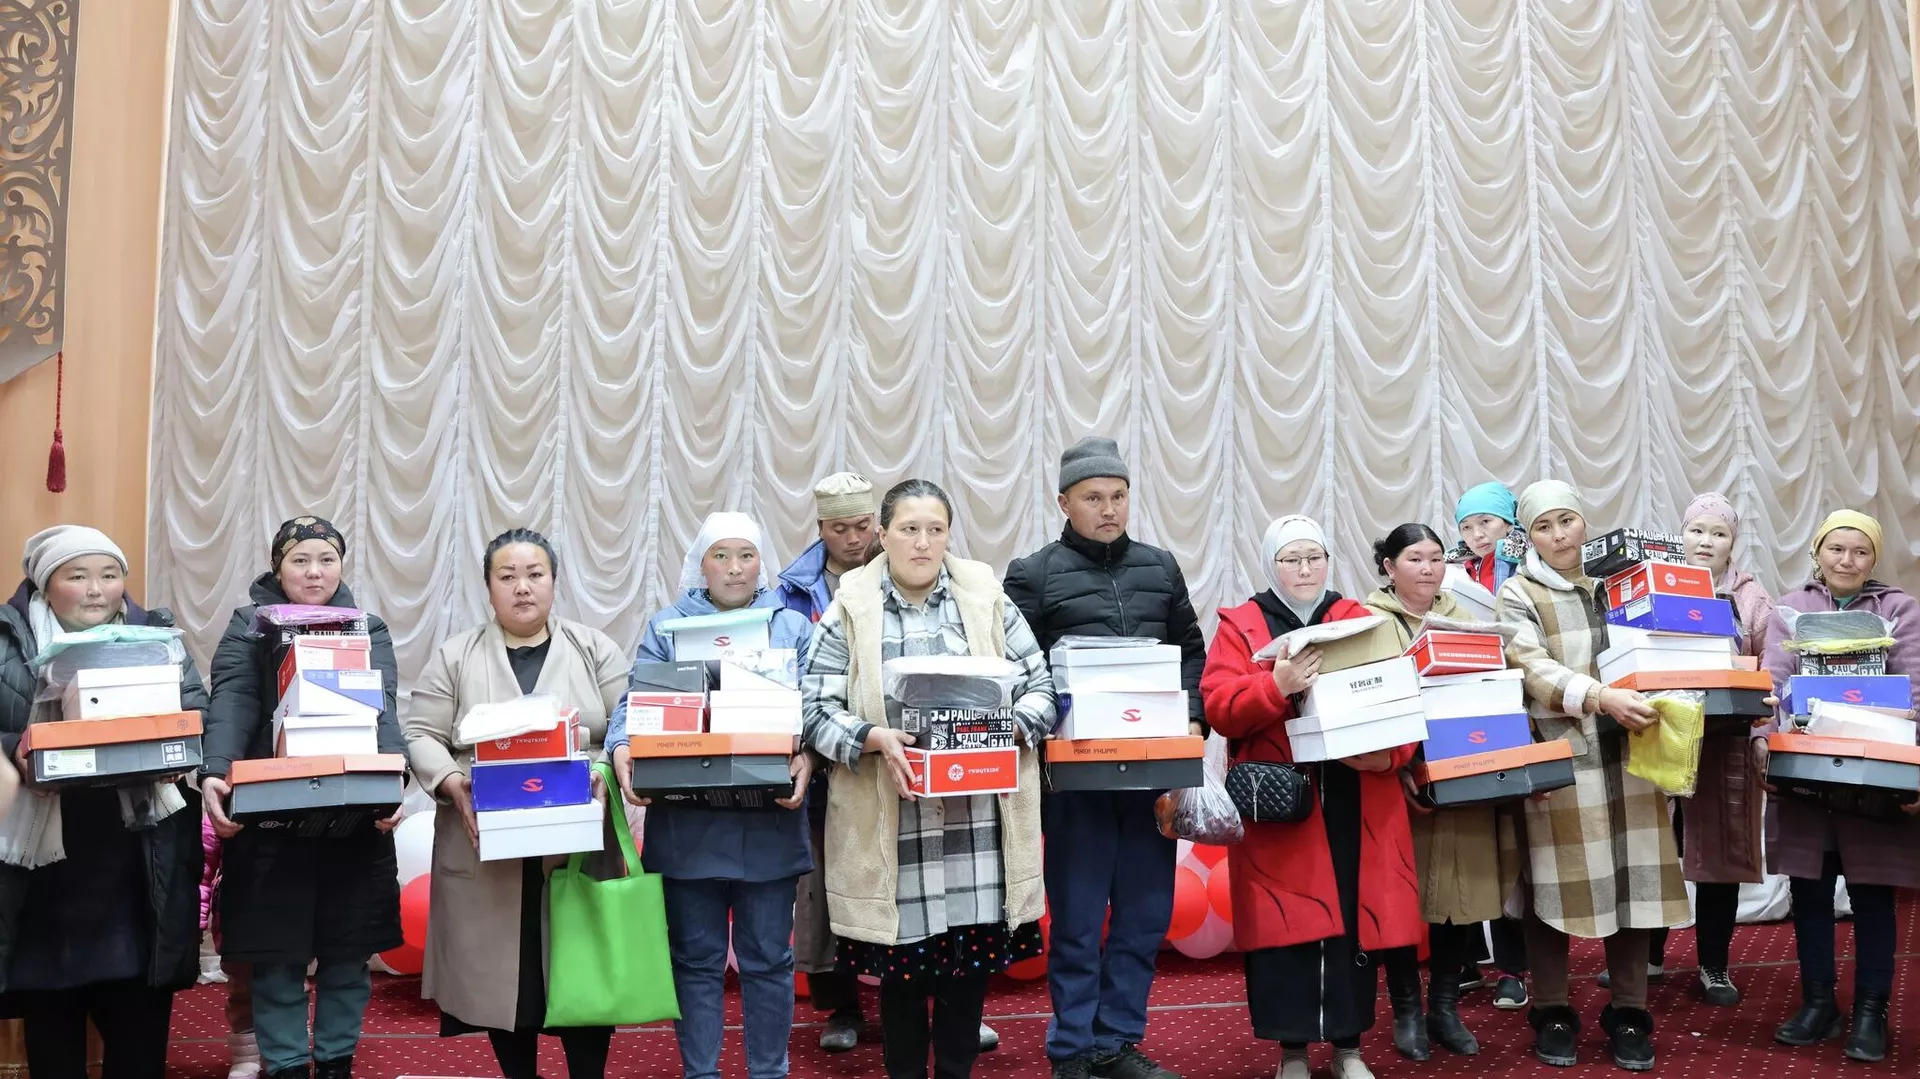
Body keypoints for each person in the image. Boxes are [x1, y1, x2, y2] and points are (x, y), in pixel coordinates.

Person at [801, 479, 1057, 1079]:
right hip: (893, 828)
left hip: (977, 828)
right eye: (909, 529)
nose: (922, 542)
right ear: (883, 534)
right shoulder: (850, 608)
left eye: (935, 529)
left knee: (967, 983)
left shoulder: (987, 599)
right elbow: (813, 709)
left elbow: (1042, 689)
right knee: (902, 986)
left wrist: (999, 731)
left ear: (948, 536)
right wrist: (873, 737)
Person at [1001, 436, 1203, 1079]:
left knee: (1144, 920)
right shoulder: (1032, 574)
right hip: (1076, 782)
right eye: (1093, 497)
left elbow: (1190, 652)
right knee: (1079, 924)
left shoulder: (1160, 567)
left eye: (1118, 496)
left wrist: (1193, 717)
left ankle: (1117, 1043)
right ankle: (1070, 1050)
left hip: (1154, 777)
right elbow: (1017, 670)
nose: (1108, 508)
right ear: (1064, 502)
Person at [1198, 514, 1420, 1079]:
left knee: (1352, 925)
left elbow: (1402, 702)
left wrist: (1389, 758)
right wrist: (1275, 685)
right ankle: (1291, 1051)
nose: (1304, 569)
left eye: (1314, 557)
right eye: (1291, 559)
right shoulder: (1241, 626)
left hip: (1354, 795)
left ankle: (1349, 1048)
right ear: (1270, 564)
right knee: (1283, 928)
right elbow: (1219, 707)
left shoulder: (1360, 620)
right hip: (1279, 805)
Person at [404, 529, 631, 1078]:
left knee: (583, 972)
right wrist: (452, 781)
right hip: (488, 845)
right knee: (507, 985)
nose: (522, 587)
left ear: (553, 582)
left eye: (535, 575)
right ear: (488, 588)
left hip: (577, 843)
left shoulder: (594, 648)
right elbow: (421, 733)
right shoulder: (457, 655)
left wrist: (604, 771)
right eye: (507, 577)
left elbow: (627, 725)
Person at [607, 512, 815, 1079]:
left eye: (746, 555)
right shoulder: (667, 627)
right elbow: (634, 700)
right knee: (694, 960)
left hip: (768, 821)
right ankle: (700, 1072)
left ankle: (769, 1072)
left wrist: (811, 756)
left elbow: (819, 705)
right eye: (720, 555)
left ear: (761, 563)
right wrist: (622, 746)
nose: (734, 567)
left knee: (768, 959)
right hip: (688, 823)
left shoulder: (792, 628)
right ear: (701, 565)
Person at [200, 517, 405, 1079]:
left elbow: (382, 707)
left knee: (347, 952)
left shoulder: (366, 627)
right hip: (271, 814)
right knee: (275, 956)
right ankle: (286, 1065)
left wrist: (396, 778)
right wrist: (215, 771)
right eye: (300, 560)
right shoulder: (250, 625)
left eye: (326, 560)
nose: (314, 572)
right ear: (278, 567)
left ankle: (336, 1062)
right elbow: (234, 700)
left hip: (352, 816)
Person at [0, 526, 205, 1079]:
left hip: (139, 860)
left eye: (109, 575)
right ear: (45, 585)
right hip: (41, 868)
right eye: (78, 576)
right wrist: (15, 753)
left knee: (138, 1026)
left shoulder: (157, 635)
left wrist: (179, 744)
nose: (96, 589)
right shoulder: (6, 641)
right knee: (53, 1029)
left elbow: (196, 710)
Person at [1496, 482, 1688, 1071]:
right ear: (1529, 536)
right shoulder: (1518, 592)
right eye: (1544, 526)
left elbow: (1665, 640)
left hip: (1634, 756)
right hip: (1563, 762)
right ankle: (1552, 1011)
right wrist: (1601, 697)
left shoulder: (1623, 579)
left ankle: (1629, 1013)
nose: (1559, 536)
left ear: (1585, 522)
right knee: (1553, 891)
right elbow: (1529, 667)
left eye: (1568, 521)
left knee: (1634, 887)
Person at [1762, 510, 1919, 1063]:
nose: (1847, 561)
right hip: (1806, 777)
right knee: (1809, 893)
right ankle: (1818, 1003)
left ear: (1873, 559)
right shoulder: (1791, 607)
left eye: (1860, 551)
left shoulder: (1899, 609)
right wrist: (1767, 745)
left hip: (1876, 778)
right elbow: (1773, 685)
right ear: (1818, 552)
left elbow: (1916, 688)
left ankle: (1872, 1010)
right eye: (1836, 549)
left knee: (1873, 895)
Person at [1358, 523, 1517, 1061]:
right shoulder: (1366, 622)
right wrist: (1398, 764)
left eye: (1435, 558)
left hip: (1462, 771)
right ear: (1389, 567)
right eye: (1414, 558)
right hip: (1396, 783)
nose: (1427, 568)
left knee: (1460, 896)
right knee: (1400, 898)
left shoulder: (1464, 616)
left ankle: (1444, 1008)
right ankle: (1406, 1008)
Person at [1632, 494, 1771, 1006]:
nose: (1706, 542)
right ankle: (1648, 956)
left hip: (1724, 744)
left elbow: (1768, 666)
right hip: (1661, 737)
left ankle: (1714, 964)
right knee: (1655, 852)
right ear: (1681, 535)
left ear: (1733, 542)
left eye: (1719, 533)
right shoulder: (1654, 584)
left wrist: (1760, 719)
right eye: (1697, 531)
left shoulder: (1752, 598)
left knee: (1720, 858)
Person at [776, 473, 892, 1052]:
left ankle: (937, 1005)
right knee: (824, 889)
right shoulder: (792, 592)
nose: (853, 538)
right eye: (839, 528)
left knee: (905, 881)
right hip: (822, 755)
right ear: (820, 528)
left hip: (891, 752)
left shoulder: (902, 569)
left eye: (862, 526)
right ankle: (843, 1009)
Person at [1448, 484, 1530, 1007]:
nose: (1478, 534)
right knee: (1462, 835)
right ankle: (1465, 957)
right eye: (1467, 526)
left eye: (1487, 523)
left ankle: (1514, 967)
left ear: (1509, 523)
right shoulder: (1450, 569)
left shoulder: (1527, 563)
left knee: (1510, 842)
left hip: (1516, 704)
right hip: (1461, 703)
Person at [202, 817, 259, 1079]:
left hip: (289, 909)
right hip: (236, 914)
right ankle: (247, 1055)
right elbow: (203, 868)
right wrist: (197, 917)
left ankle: (286, 1050)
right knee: (242, 987)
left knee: (289, 982)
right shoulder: (220, 811)